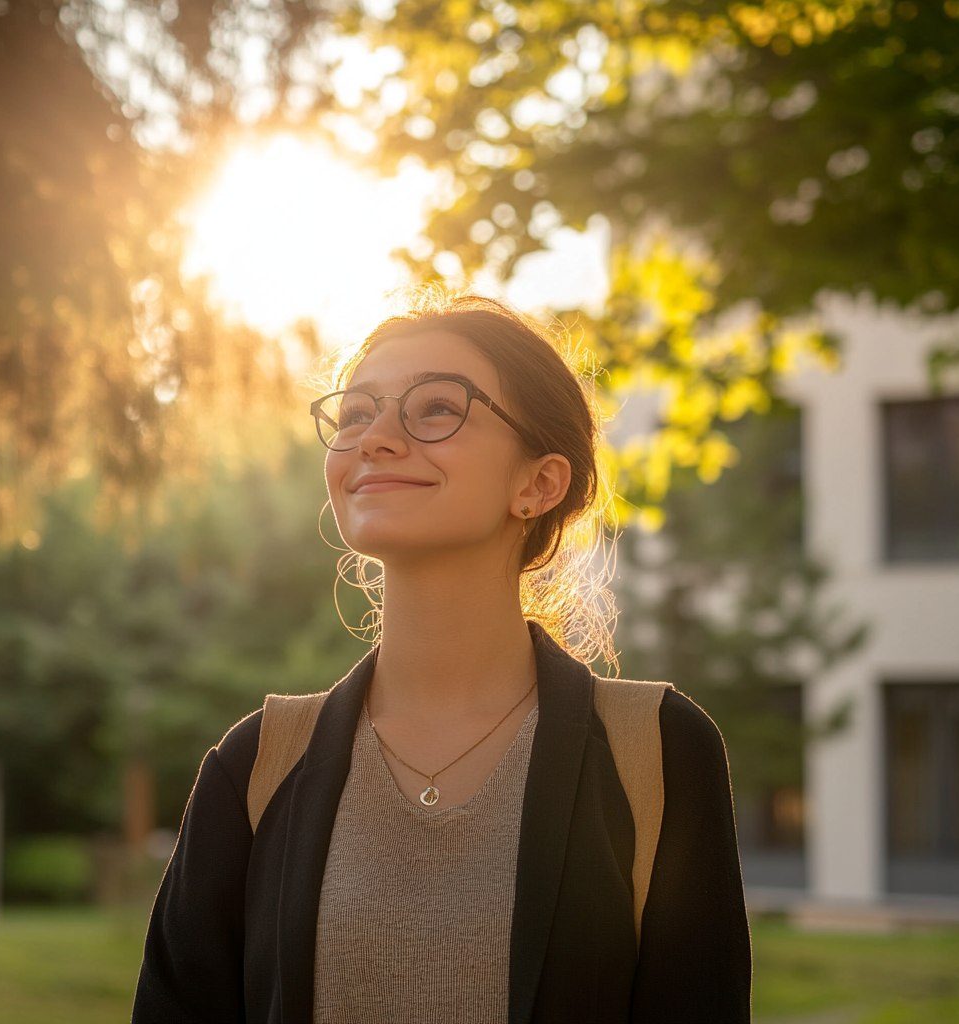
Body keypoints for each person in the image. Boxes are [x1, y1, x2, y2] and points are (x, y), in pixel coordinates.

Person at [131, 295, 751, 1024]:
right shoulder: (256, 766)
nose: (376, 438)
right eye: (357, 413)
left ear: (538, 484)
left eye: (435, 409)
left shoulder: (656, 751)